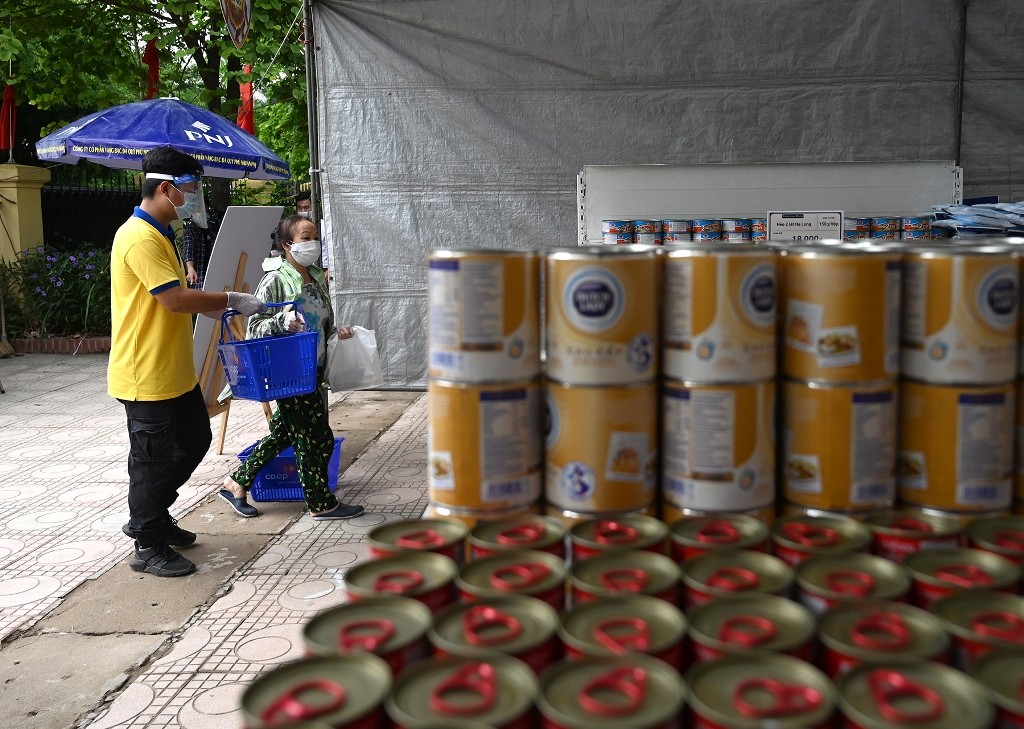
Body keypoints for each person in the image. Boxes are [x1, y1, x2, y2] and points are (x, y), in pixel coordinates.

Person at [110, 145, 268, 578]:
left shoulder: (161, 233)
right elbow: (175, 299)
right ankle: (146, 541)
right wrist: (229, 299)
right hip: (146, 374)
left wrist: (215, 307)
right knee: (150, 460)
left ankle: (154, 515)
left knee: (195, 440)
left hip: (171, 371)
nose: (192, 197)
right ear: (165, 188)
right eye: (191, 189)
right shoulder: (139, 236)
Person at [218, 214, 364, 521]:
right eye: (305, 237)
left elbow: (318, 322)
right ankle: (320, 502)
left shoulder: (314, 276)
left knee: (286, 432)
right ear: (287, 244)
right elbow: (253, 327)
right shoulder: (275, 279)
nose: (313, 243)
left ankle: (236, 482)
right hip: (287, 372)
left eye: (315, 237)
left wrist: (337, 332)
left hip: (311, 370)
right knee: (317, 438)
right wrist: (281, 322)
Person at [182, 207, 222, 289]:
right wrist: (190, 268)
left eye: (205, 210)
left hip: (214, 273)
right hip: (199, 276)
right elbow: (188, 251)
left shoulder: (212, 229)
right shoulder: (191, 231)